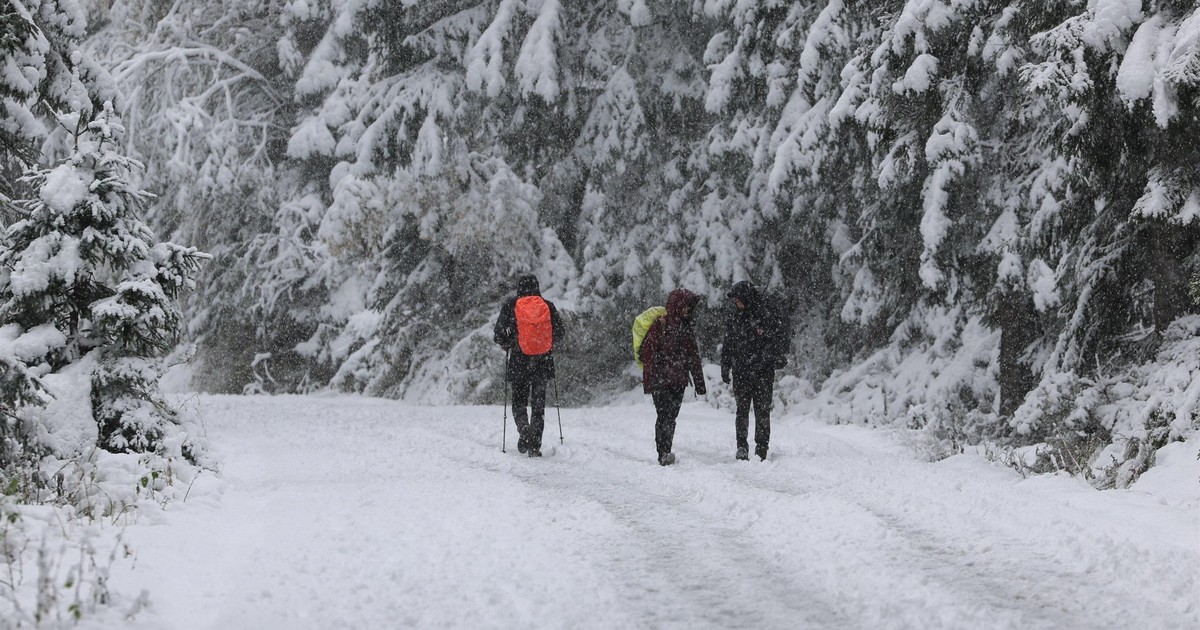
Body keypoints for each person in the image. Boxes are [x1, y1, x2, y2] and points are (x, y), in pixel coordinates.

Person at [493, 274, 563, 457]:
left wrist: (508, 342)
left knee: (519, 401)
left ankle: (524, 427)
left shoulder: (510, 306)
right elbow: (560, 332)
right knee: (538, 406)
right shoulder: (547, 306)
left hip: (518, 360)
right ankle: (535, 446)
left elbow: (498, 334)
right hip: (543, 361)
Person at [720, 281, 789, 461]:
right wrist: (725, 365)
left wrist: (773, 357)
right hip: (741, 371)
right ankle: (742, 446)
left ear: (746, 298)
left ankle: (761, 447)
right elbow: (728, 343)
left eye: (738, 300)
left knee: (762, 410)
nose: (736, 304)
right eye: (734, 302)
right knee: (742, 410)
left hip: (763, 372)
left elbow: (778, 339)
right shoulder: (735, 317)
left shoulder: (767, 315)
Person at [639, 288, 706, 466]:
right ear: (678, 305)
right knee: (664, 415)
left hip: (678, 380)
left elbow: (693, 356)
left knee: (671, 416)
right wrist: (652, 379)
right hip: (661, 380)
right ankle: (663, 452)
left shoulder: (686, 328)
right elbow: (647, 354)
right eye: (686, 306)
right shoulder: (660, 325)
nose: (688, 310)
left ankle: (666, 449)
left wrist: (700, 384)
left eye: (690, 307)